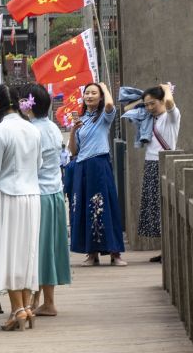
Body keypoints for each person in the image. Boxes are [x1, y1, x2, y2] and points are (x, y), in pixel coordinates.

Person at [0, 84, 41, 331]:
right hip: (32, 196)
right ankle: (26, 307)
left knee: (8, 253)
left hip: (9, 195)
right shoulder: (33, 129)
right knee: (27, 253)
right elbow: (38, 164)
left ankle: (18, 310)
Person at [19, 84, 71, 316]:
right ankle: (47, 301)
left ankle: (34, 300)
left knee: (35, 248)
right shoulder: (53, 127)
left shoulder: (30, 130)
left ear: (28, 105)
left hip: (37, 194)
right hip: (55, 193)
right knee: (50, 247)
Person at [67, 81, 127, 266]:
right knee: (86, 208)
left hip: (100, 164)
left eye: (94, 93)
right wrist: (73, 131)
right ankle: (91, 254)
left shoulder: (104, 117)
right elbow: (73, 151)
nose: (90, 96)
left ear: (100, 97)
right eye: (87, 93)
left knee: (106, 206)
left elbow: (110, 104)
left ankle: (115, 253)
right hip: (82, 166)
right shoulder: (81, 119)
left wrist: (104, 87)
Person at [138, 84, 179, 263]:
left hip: (164, 163)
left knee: (165, 208)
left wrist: (166, 89)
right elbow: (129, 107)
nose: (149, 107)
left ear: (162, 101)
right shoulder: (150, 119)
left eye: (152, 103)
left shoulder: (172, 116)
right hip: (150, 163)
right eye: (146, 104)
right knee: (156, 210)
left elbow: (169, 102)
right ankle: (165, 251)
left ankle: (170, 252)